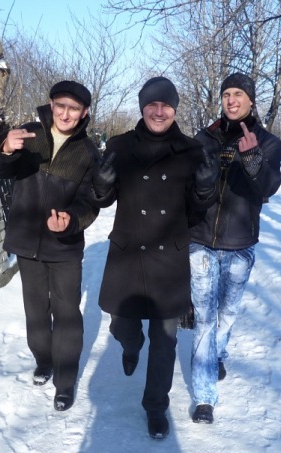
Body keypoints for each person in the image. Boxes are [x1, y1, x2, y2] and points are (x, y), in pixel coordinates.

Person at [90, 76, 219, 439]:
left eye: (166, 105)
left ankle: (156, 407)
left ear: (174, 109)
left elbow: (197, 210)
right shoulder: (120, 146)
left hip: (168, 260)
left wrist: (205, 188)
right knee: (122, 326)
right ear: (142, 107)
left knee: (165, 341)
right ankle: (131, 345)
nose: (159, 111)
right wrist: (101, 183)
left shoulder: (190, 150)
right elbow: (102, 200)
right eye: (152, 104)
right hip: (128, 255)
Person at [0, 80, 100, 412]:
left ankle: (65, 381)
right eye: (60, 105)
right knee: (36, 313)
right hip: (26, 243)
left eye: (74, 109)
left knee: (66, 314)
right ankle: (44, 360)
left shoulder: (88, 153)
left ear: (84, 113)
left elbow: (90, 203)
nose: (65, 114)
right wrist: (4, 148)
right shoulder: (29, 135)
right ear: (51, 105)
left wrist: (71, 221)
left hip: (64, 248)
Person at [188, 73, 281, 424]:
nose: (231, 99)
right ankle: (205, 397)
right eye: (226, 93)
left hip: (240, 245)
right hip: (200, 242)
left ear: (251, 100)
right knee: (204, 319)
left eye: (238, 94)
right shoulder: (204, 139)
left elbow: (267, 188)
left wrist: (252, 158)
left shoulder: (268, 142)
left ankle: (217, 354)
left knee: (226, 314)